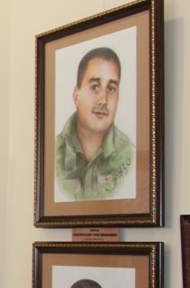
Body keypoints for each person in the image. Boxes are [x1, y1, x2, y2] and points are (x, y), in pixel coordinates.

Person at [54, 46, 135, 200]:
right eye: (95, 87)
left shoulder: (131, 158)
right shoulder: (51, 155)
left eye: (111, 88)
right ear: (76, 96)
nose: (103, 100)